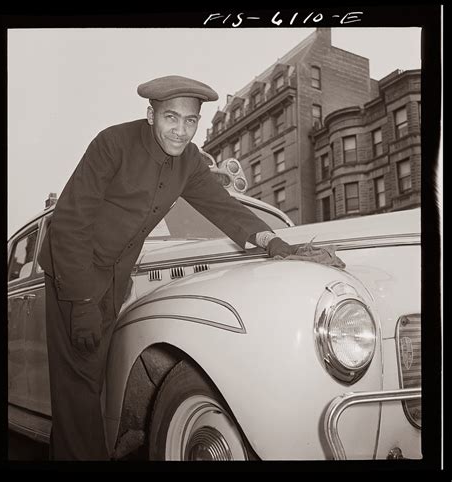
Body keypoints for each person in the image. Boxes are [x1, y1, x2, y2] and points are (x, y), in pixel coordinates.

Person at [37, 75, 342, 461]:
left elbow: (225, 208)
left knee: (89, 383)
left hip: (116, 279)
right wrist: (81, 300)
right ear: (151, 115)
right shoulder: (112, 144)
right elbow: (69, 222)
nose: (181, 131)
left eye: (191, 121)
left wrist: (274, 243)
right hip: (73, 272)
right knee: (77, 385)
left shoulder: (190, 162)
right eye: (171, 118)